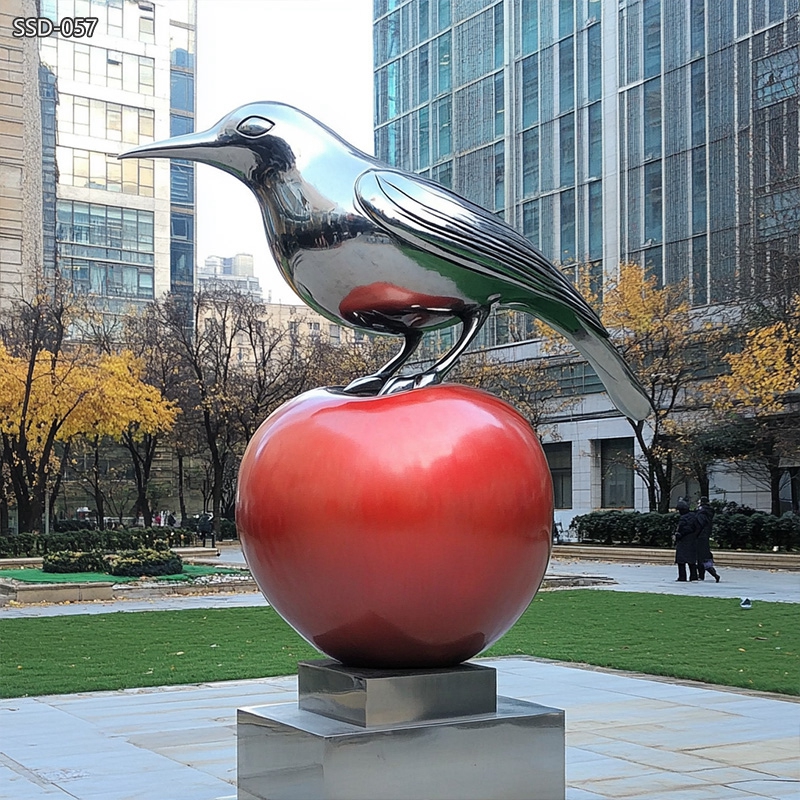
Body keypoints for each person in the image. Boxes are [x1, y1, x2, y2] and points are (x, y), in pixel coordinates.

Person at [695, 497, 721, 582]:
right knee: (704, 556)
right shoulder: (709, 512)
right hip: (705, 536)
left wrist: (695, 533)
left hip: (700, 536)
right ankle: (706, 573)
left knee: (700, 557)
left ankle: (706, 574)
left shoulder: (701, 512)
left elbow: (700, 524)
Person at [674, 498, 700, 581]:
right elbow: (698, 528)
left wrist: (679, 534)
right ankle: (693, 576)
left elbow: (682, 529)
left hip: (683, 541)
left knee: (681, 561)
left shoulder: (683, 518)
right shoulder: (694, 516)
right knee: (691, 560)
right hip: (692, 540)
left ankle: (682, 577)